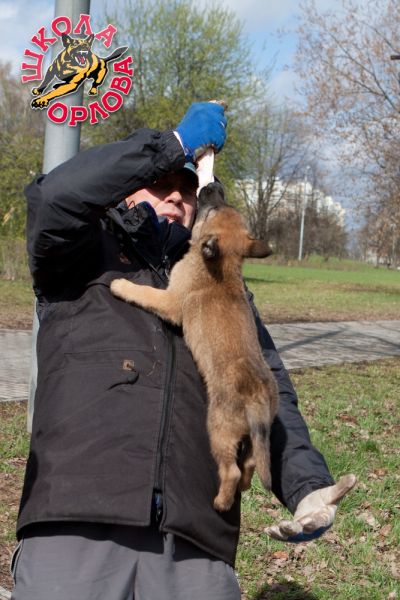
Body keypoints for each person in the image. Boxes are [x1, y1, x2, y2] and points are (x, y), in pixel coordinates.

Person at [11, 102, 355, 600]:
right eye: (159, 181)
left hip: (196, 540)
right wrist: (174, 145)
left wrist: (306, 486)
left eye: (188, 187)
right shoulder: (79, 253)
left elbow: (266, 389)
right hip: (77, 521)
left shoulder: (225, 287)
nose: (176, 193)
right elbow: (54, 196)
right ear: (124, 189)